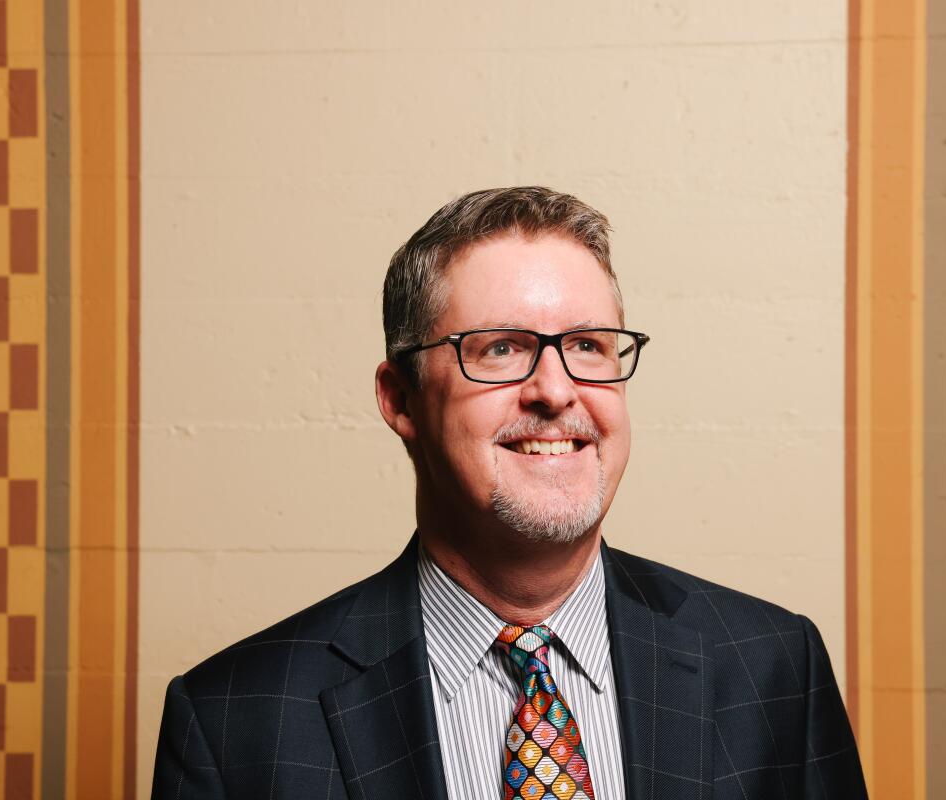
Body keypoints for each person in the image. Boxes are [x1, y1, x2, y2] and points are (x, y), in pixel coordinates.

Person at [152, 187, 868, 799]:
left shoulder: (773, 668)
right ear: (400, 399)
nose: (555, 391)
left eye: (589, 345)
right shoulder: (234, 722)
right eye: (501, 348)